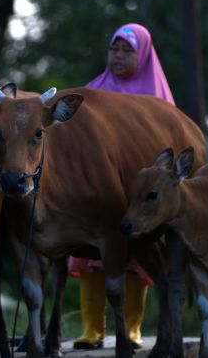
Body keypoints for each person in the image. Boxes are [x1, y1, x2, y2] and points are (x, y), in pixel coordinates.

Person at [69, 23, 174, 350]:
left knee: (138, 259)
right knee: (90, 259)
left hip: (138, 197)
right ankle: (91, 330)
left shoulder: (156, 98)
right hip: (96, 194)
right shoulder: (93, 90)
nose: (118, 56)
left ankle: (131, 329)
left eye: (127, 50)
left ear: (142, 54)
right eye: (114, 49)